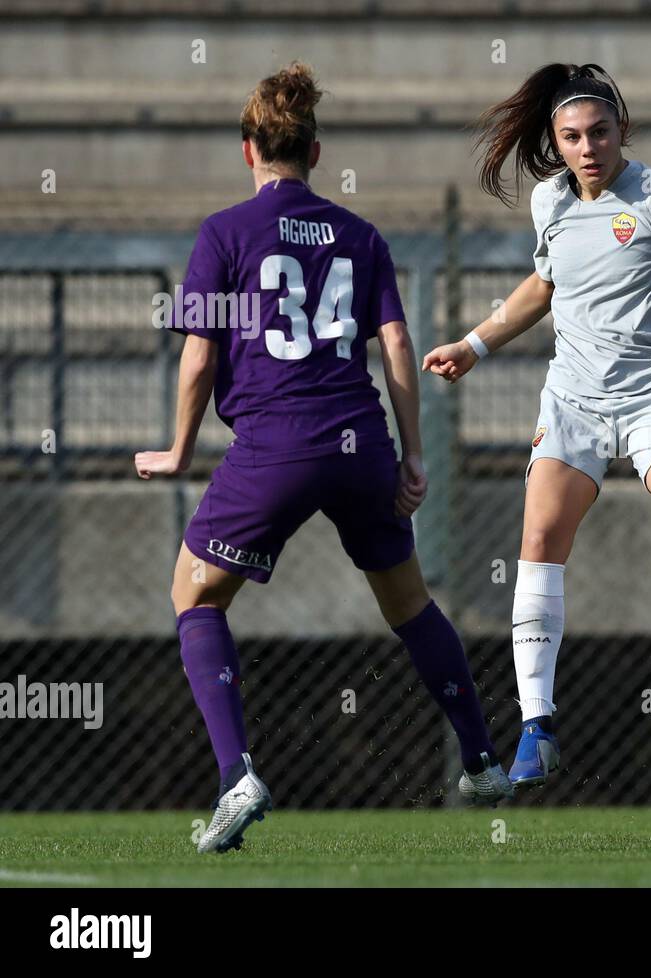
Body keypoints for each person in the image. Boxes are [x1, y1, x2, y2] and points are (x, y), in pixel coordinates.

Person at [135, 62, 511, 854]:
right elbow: (399, 345)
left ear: (248, 150)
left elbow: (199, 357)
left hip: (273, 443)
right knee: (409, 606)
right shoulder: (360, 235)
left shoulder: (224, 233)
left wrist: (177, 449)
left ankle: (237, 775)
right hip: (359, 440)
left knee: (195, 598)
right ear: (316, 149)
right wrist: (414, 453)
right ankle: (480, 761)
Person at [423, 63, 651, 787]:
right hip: (573, 401)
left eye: (600, 132)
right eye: (573, 137)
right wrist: (474, 344)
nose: (588, 147)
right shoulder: (550, 201)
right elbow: (544, 287)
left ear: (622, 130)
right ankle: (535, 728)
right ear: (556, 143)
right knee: (540, 541)